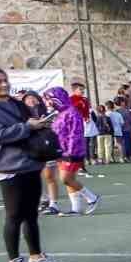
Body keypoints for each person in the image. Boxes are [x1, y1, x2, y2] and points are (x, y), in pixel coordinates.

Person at [0, 67, 66, 262]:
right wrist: (28, 126)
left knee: (31, 215)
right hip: (8, 167)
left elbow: (30, 125)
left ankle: (36, 257)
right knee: (14, 216)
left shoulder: (16, 104)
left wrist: (41, 124)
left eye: (5, 80)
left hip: (30, 163)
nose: (3, 84)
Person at [47, 87, 100, 216]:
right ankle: (76, 208)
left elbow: (75, 133)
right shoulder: (59, 113)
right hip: (61, 151)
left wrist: (70, 151)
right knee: (69, 179)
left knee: (66, 179)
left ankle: (92, 198)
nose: (48, 102)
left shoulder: (72, 112)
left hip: (72, 152)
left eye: (49, 99)